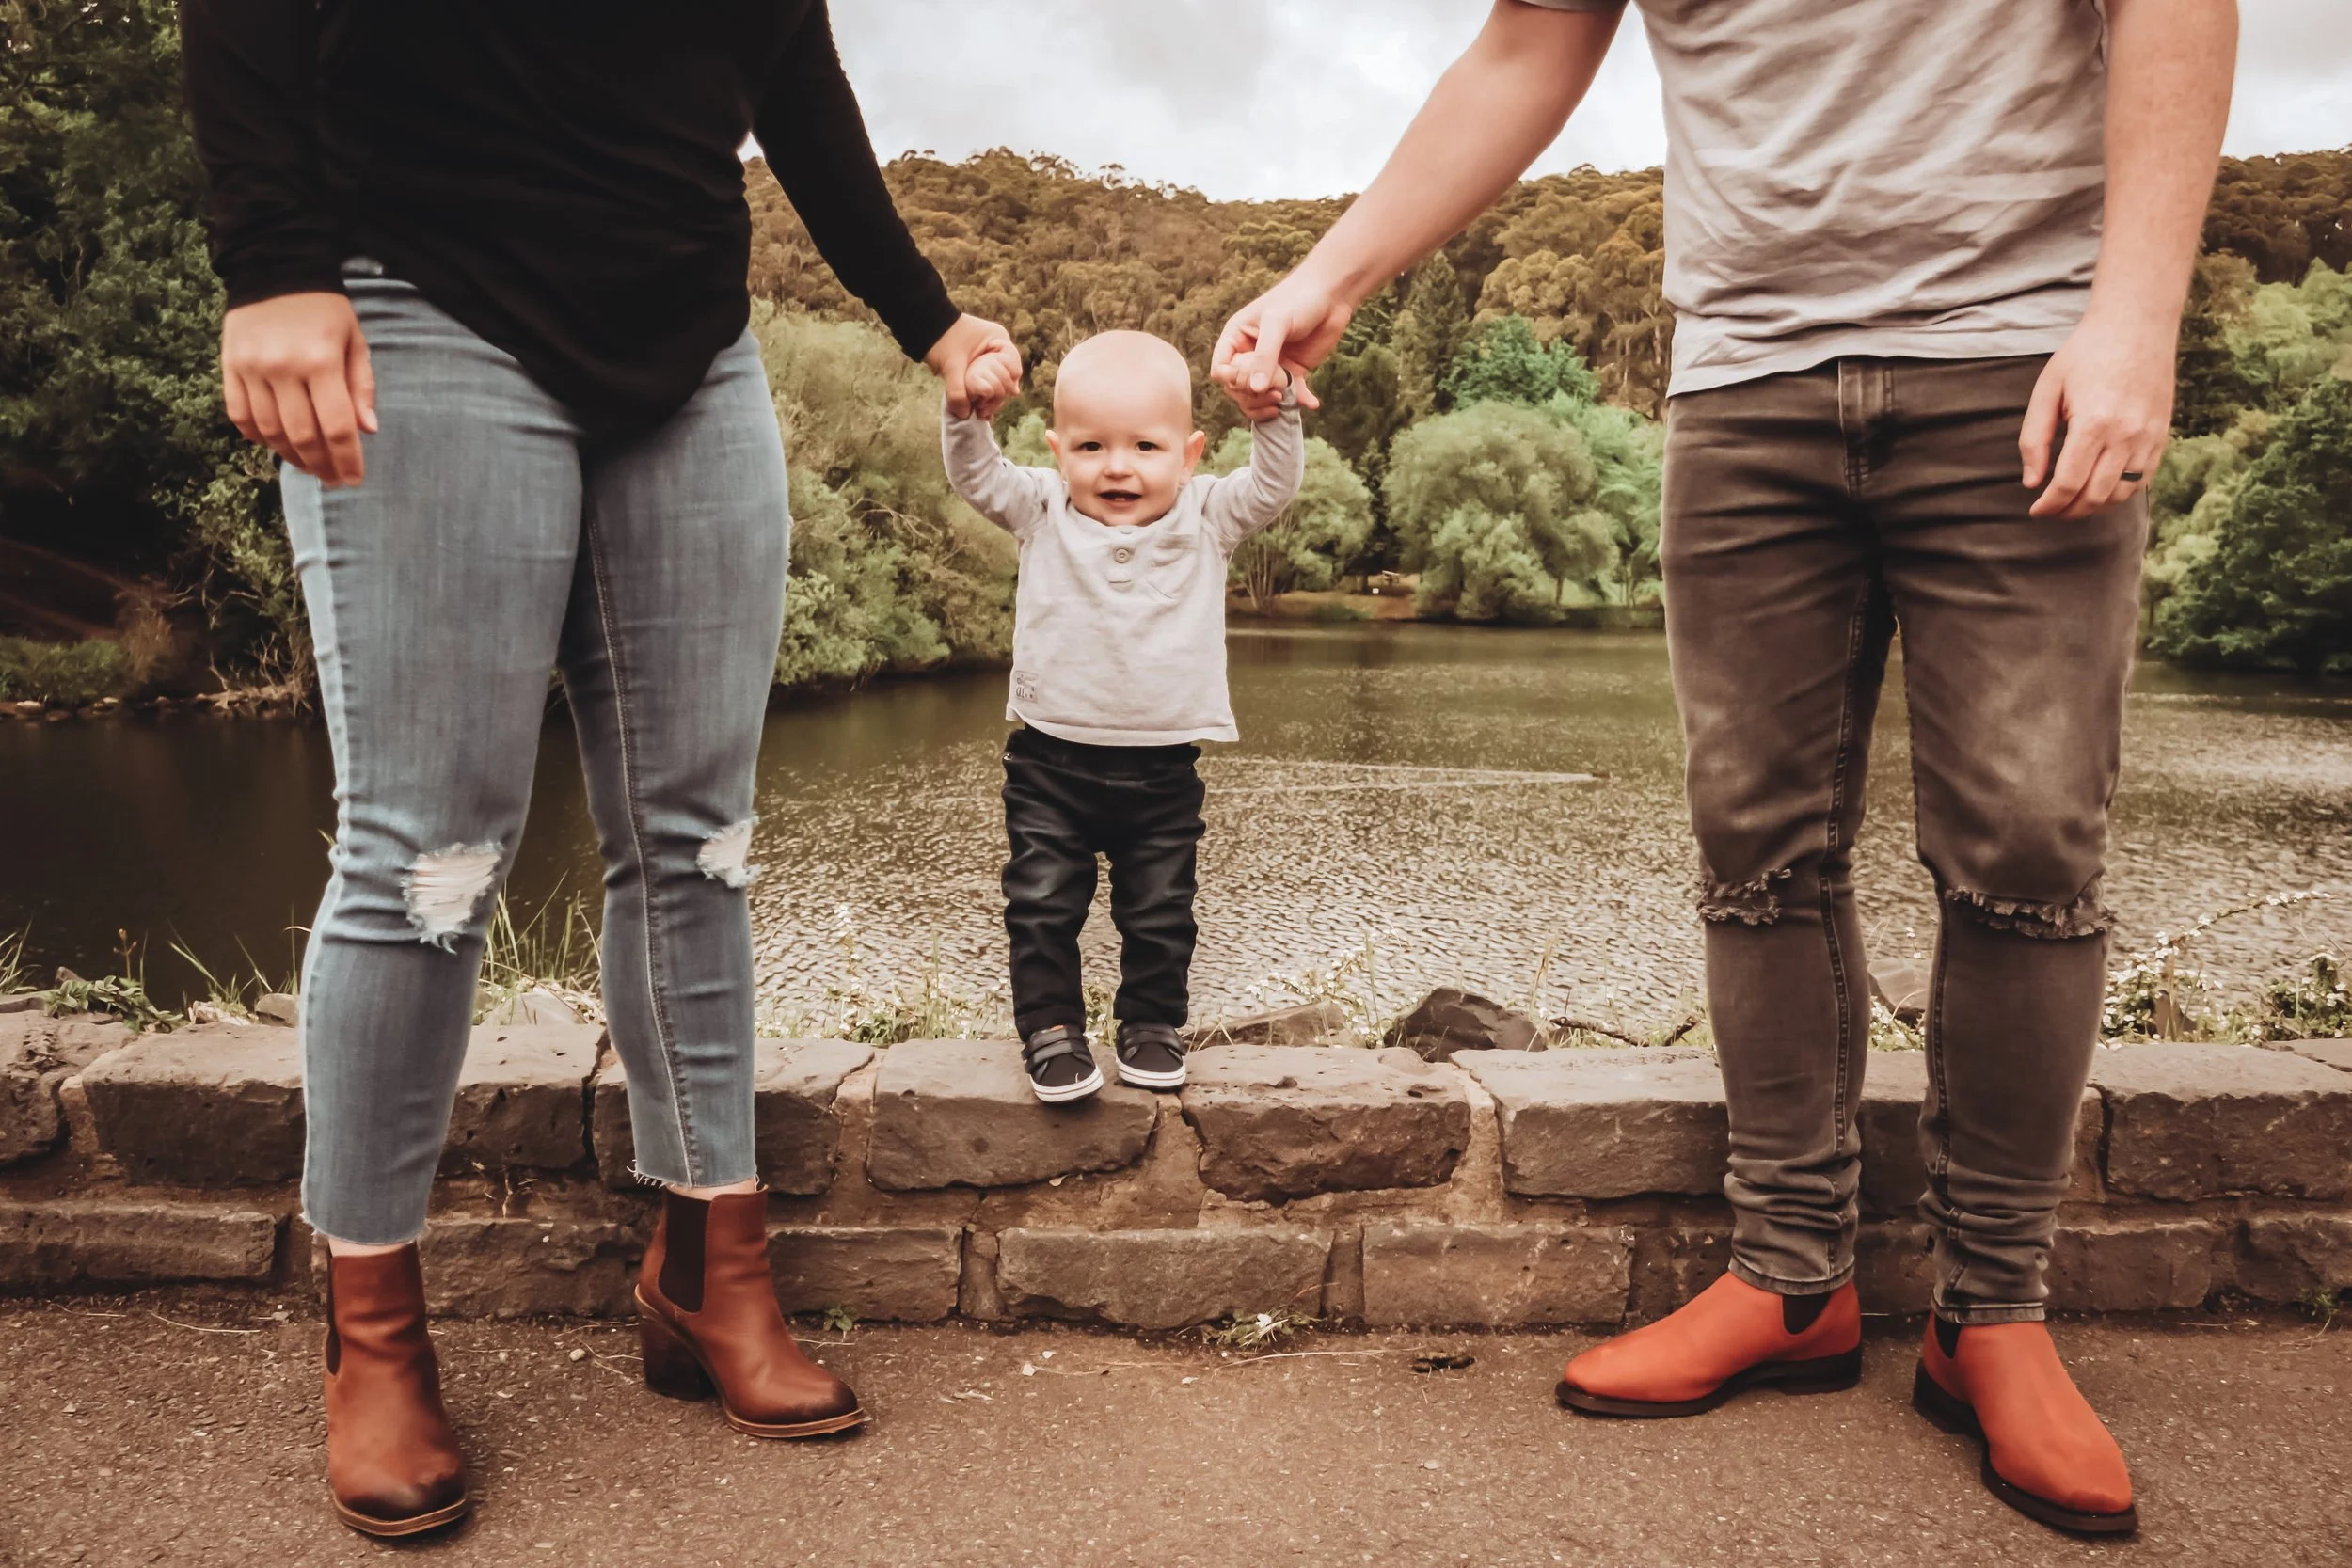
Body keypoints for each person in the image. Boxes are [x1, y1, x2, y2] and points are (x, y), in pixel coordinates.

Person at [1215, 0, 2235, 1539]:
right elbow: (1526, 45)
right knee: (1756, 841)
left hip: (2021, 347)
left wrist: (2138, 312)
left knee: (2028, 842)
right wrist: (1328, 275)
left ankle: (1991, 1314)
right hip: (1748, 381)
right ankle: (1792, 1277)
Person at [181, 0, 1018, 1538]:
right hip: (425, 299)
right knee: (428, 856)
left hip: (689, 337)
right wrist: (274, 261)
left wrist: (929, 316)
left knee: (699, 843)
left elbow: (793, 70)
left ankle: (713, 1270)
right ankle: (372, 1336)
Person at [942, 331, 1303, 1102]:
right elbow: (976, 475)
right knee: (1040, 904)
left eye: (1145, 445)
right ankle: (1050, 1031)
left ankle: (1151, 1025)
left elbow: (1272, 487)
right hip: (1050, 763)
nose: (1117, 466)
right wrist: (967, 413)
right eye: (1091, 445)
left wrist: (1276, 417)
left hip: (1163, 771)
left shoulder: (1208, 515)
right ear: (1056, 448)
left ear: (1191, 451)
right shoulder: (1041, 506)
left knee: (1162, 910)